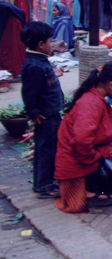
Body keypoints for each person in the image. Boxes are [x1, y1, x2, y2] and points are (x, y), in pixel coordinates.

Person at [54, 61, 112, 213]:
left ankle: (102, 184)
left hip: (79, 154)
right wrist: (97, 159)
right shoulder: (91, 103)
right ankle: (96, 189)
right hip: (77, 162)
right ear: (111, 85)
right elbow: (80, 141)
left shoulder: (94, 95)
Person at [20, 22, 64, 199]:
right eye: (49, 41)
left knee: (47, 147)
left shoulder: (40, 62)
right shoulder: (34, 66)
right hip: (46, 115)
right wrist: (33, 112)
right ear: (40, 44)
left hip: (51, 112)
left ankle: (44, 182)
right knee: (47, 149)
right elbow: (29, 92)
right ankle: (44, 185)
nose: (50, 44)